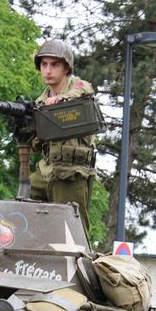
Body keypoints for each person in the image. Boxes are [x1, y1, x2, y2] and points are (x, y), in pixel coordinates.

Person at [28, 39, 98, 235]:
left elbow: (85, 87)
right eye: (44, 64)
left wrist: (61, 100)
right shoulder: (40, 103)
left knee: (74, 231)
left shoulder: (77, 88)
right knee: (23, 202)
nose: (48, 70)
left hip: (72, 173)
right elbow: (35, 144)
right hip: (48, 170)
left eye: (54, 65)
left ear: (66, 68)